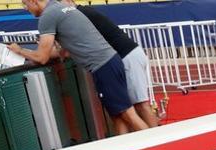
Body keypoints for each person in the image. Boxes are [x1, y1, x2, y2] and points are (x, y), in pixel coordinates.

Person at [11, 0, 148, 135]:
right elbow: (62, 52)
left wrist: (20, 51)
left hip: (102, 67)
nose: (25, 8)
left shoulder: (48, 16)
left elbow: (42, 57)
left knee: (128, 114)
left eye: (25, 4)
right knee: (118, 116)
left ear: (33, 1)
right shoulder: (62, 8)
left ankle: (154, 146)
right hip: (111, 61)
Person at [65, 0, 159, 128]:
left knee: (140, 104)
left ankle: (156, 138)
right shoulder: (83, 12)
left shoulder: (81, 14)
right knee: (130, 107)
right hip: (127, 56)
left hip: (127, 56)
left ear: (69, 1)